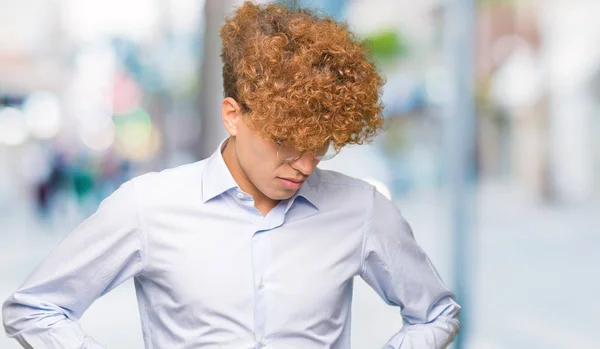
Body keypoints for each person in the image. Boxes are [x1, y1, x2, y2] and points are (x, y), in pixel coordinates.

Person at [2, 2, 460, 348]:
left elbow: (437, 313)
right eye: (285, 140)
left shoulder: (362, 210)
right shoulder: (147, 206)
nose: (304, 163)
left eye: (318, 144)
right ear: (233, 115)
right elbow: (34, 308)